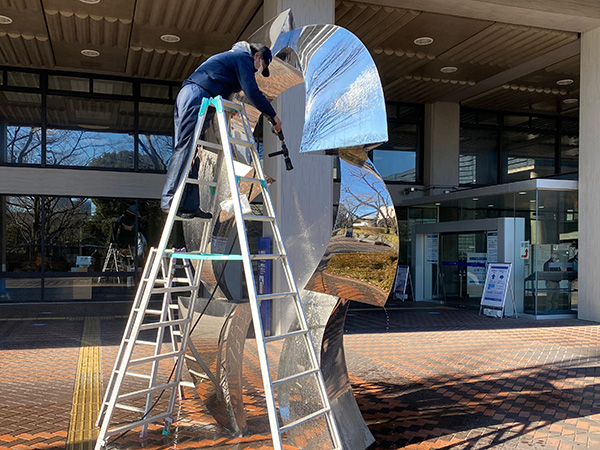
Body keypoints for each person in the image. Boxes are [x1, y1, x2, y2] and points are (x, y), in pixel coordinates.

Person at [161, 41, 283, 219]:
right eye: (260, 66)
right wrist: (274, 117)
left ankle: (189, 204)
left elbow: (220, 81)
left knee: (194, 151)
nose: (256, 70)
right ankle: (170, 199)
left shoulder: (231, 59)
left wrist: (227, 107)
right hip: (196, 95)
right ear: (257, 56)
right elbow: (252, 91)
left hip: (201, 96)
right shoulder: (243, 57)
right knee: (186, 147)